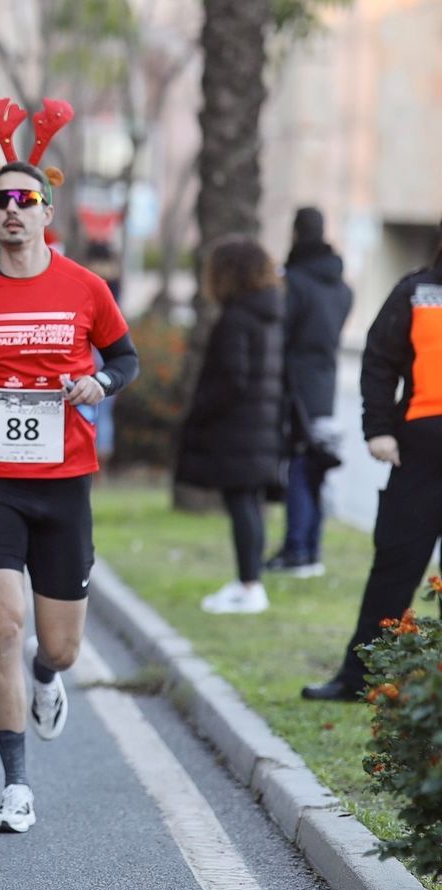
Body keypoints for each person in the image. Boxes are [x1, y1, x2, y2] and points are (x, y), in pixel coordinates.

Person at [0, 98, 138, 833]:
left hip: (64, 482)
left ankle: (49, 680)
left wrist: (99, 384)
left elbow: (125, 357)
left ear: (49, 210)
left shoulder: (85, 288)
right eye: (1, 200)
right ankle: (15, 784)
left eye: (26, 200)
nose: (12, 210)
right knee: (1, 626)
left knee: (57, 645)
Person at [303, 221, 442, 701]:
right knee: (393, 570)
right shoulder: (416, 291)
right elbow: (379, 361)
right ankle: (358, 680)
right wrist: (378, 429)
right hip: (419, 457)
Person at [175, 236, 285, 615]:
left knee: (241, 504)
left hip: (238, 429)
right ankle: (249, 582)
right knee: (248, 504)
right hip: (259, 426)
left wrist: (201, 410)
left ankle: (249, 585)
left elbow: (231, 379)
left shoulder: (237, 318)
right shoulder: (269, 314)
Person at [266, 207, 353, 577]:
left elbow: (281, 335)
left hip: (296, 388)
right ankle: (310, 548)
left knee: (300, 467)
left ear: (296, 233)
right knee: (315, 467)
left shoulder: (295, 283)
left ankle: (297, 550)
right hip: (326, 385)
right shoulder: (342, 288)